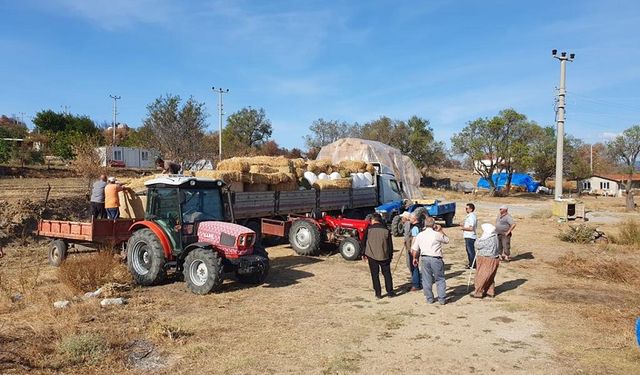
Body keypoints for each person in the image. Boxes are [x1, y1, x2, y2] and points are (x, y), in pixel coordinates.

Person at [411, 216, 449, 305]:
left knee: (426, 279)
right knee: (439, 278)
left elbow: (415, 249)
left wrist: (414, 258)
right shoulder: (436, 234)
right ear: (433, 224)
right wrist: (440, 230)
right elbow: (447, 240)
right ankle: (442, 298)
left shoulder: (420, 235)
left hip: (425, 258)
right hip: (436, 258)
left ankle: (429, 298)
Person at [362, 213, 395, 299]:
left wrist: (363, 253)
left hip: (371, 255)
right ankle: (390, 292)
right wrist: (390, 255)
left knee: (374, 275)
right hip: (384, 255)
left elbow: (363, 242)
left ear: (373, 220)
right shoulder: (386, 230)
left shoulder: (368, 229)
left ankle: (378, 293)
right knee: (387, 274)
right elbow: (390, 245)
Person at [471, 223, 500, 298]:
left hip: (486, 259)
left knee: (481, 275)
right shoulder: (495, 236)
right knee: (490, 276)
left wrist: (478, 239)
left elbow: (477, 245)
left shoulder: (488, 238)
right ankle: (490, 291)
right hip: (494, 259)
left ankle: (478, 292)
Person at [407, 212, 422, 291]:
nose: (409, 219)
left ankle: (416, 285)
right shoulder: (420, 226)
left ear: (414, 218)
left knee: (414, 266)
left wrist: (412, 250)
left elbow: (414, 239)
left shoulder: (415, 228)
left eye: (410, 218)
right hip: (418, 249)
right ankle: (417, 283)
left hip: (414, 250)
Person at [461, 203, 477, 269]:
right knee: (468, 250)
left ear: (471, 209)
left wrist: (463, 228)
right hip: (467, 236)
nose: (466, 209)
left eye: (467, 208)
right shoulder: (469, 216)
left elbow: (471, 228)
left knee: (471, 251)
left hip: (470, 236)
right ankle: (471, 264)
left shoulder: (471, 216)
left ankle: (473, 264)